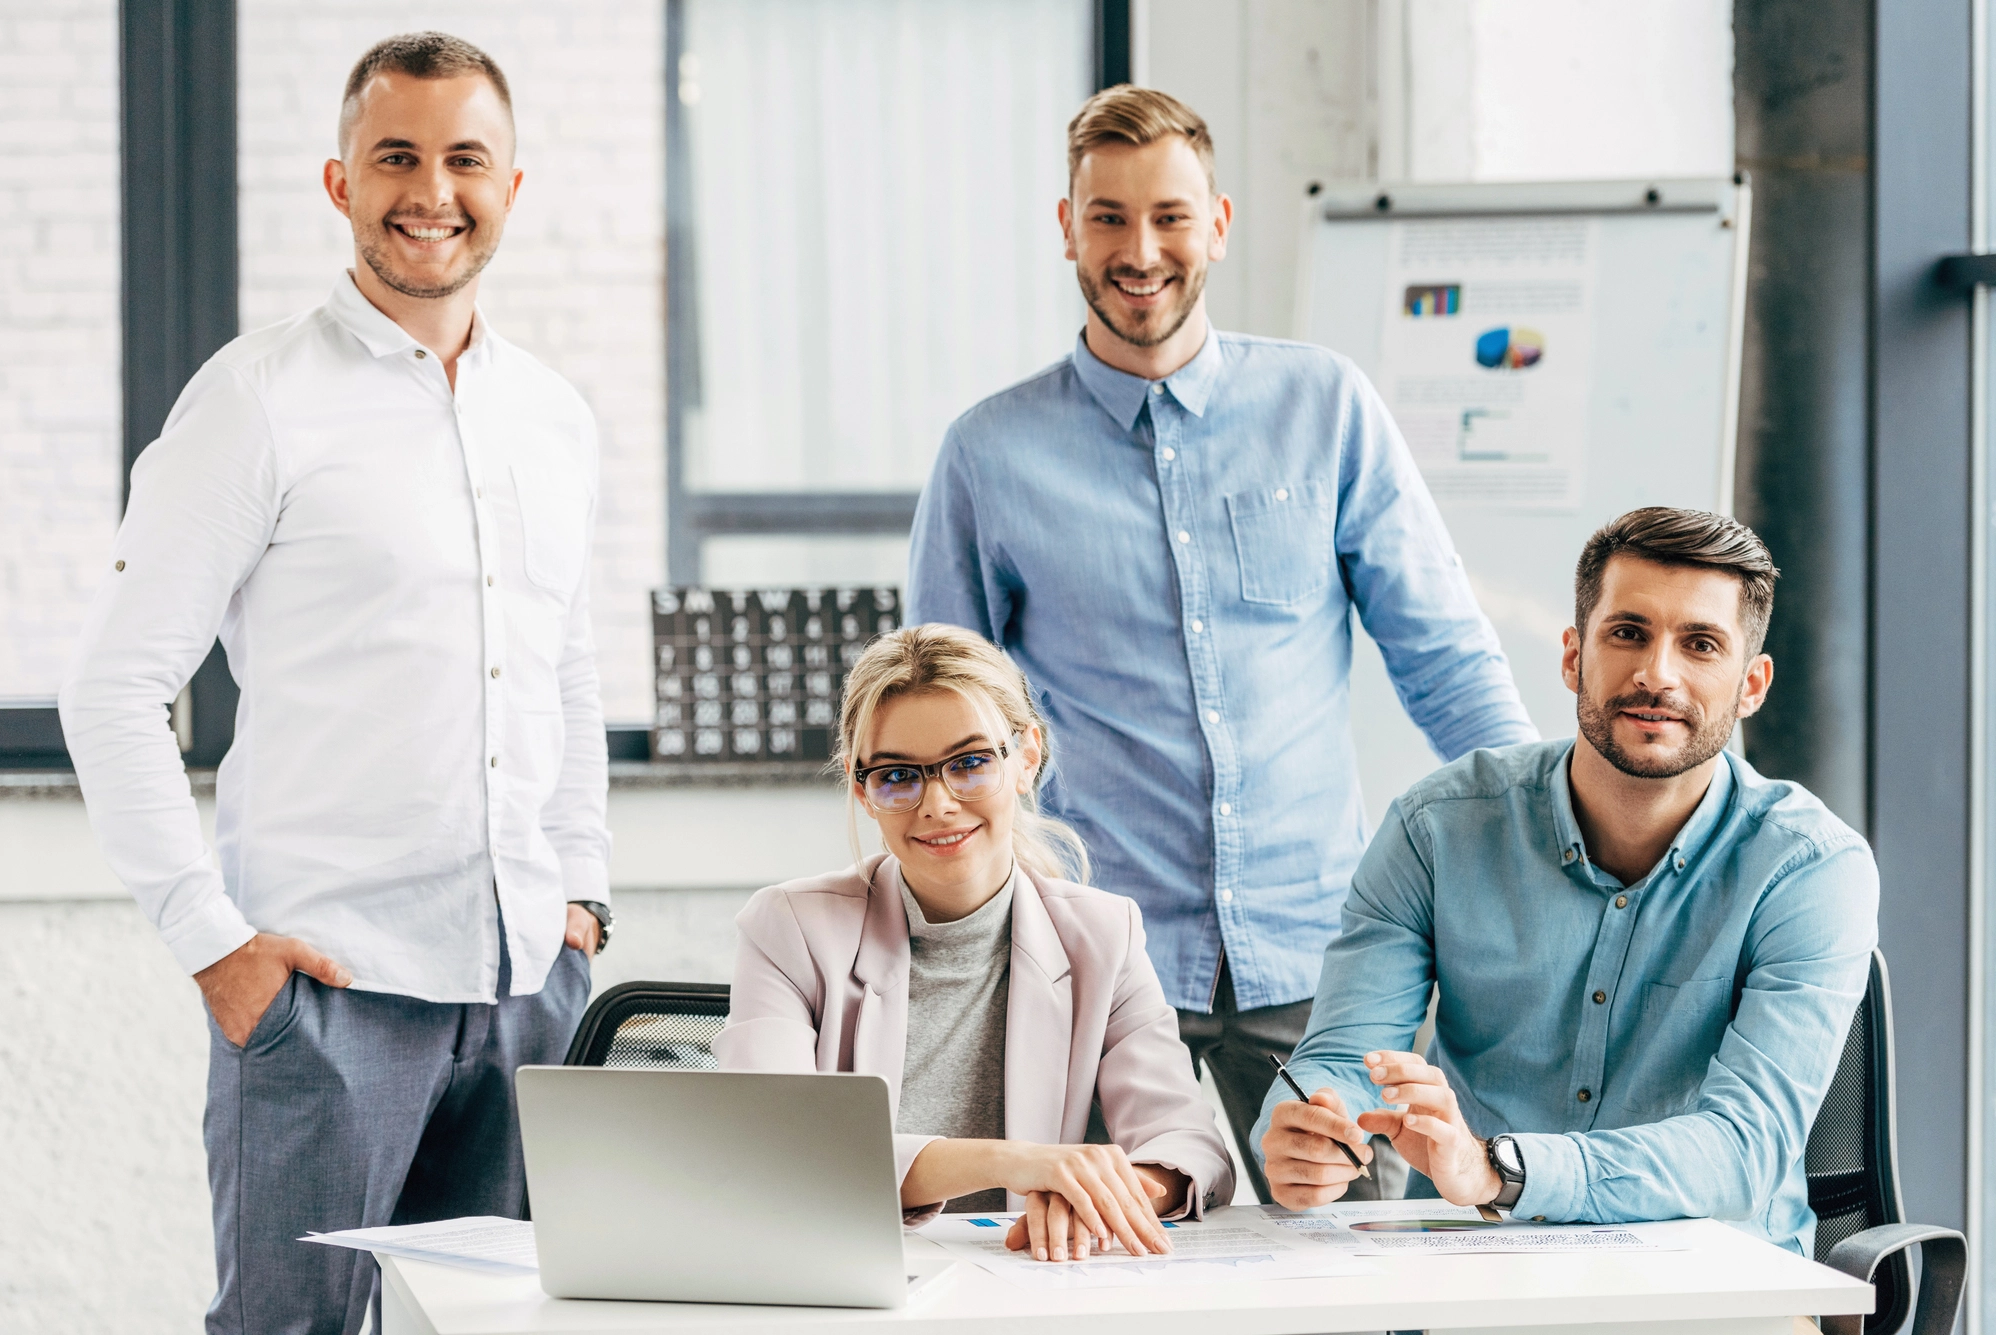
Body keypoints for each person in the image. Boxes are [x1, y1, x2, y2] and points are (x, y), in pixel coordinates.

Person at [58, 33, 613, 1334]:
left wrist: (580, 892)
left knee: (496, 1326)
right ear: (339, 181)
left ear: (513, 186)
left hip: (528, 983)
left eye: (465, 158)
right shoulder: (255, 400)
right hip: (326, 999)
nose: (432, 189)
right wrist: (218, 946)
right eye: (396, 157)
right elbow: (114, 687)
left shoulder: (555, 416)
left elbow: (567, 664)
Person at [905, 83, 1537, 1201]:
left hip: (1317, 950)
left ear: (1219, 224)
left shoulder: (1324, 407)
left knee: (1353, 1264)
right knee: (1079, 1257)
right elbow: (935, 731)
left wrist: (1549, 839)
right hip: (1089, 951)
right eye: (1106, 217)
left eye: (1168, 216)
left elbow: (1441, 656)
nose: (1138, 250)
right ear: (1066, 228)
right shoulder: (987, 455)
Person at [1254, 508, 1879, 1255]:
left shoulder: (1809, 867)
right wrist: (1309, 1126)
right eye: (1628, 633)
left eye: (1701, 644)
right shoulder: (1437, 829)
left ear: (1751, 684)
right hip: (1473, 1266)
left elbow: (1743, 1148)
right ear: (1572, 657)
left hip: (1713, 1281)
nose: (1658, 673)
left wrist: (1500, 1170)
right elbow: (1344, 1058)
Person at [715, 624, 1234, 1262]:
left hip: (1033, 1280)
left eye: (969, 763)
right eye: (898, 775)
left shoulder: (1104, 934)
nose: (937, 804)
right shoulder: (789, 927)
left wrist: (1111, 1194)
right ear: (862, 789)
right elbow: (770, 1144)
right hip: (848, 1275)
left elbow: (1188, 1144)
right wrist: (1018, 1165)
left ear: (1026, 757)